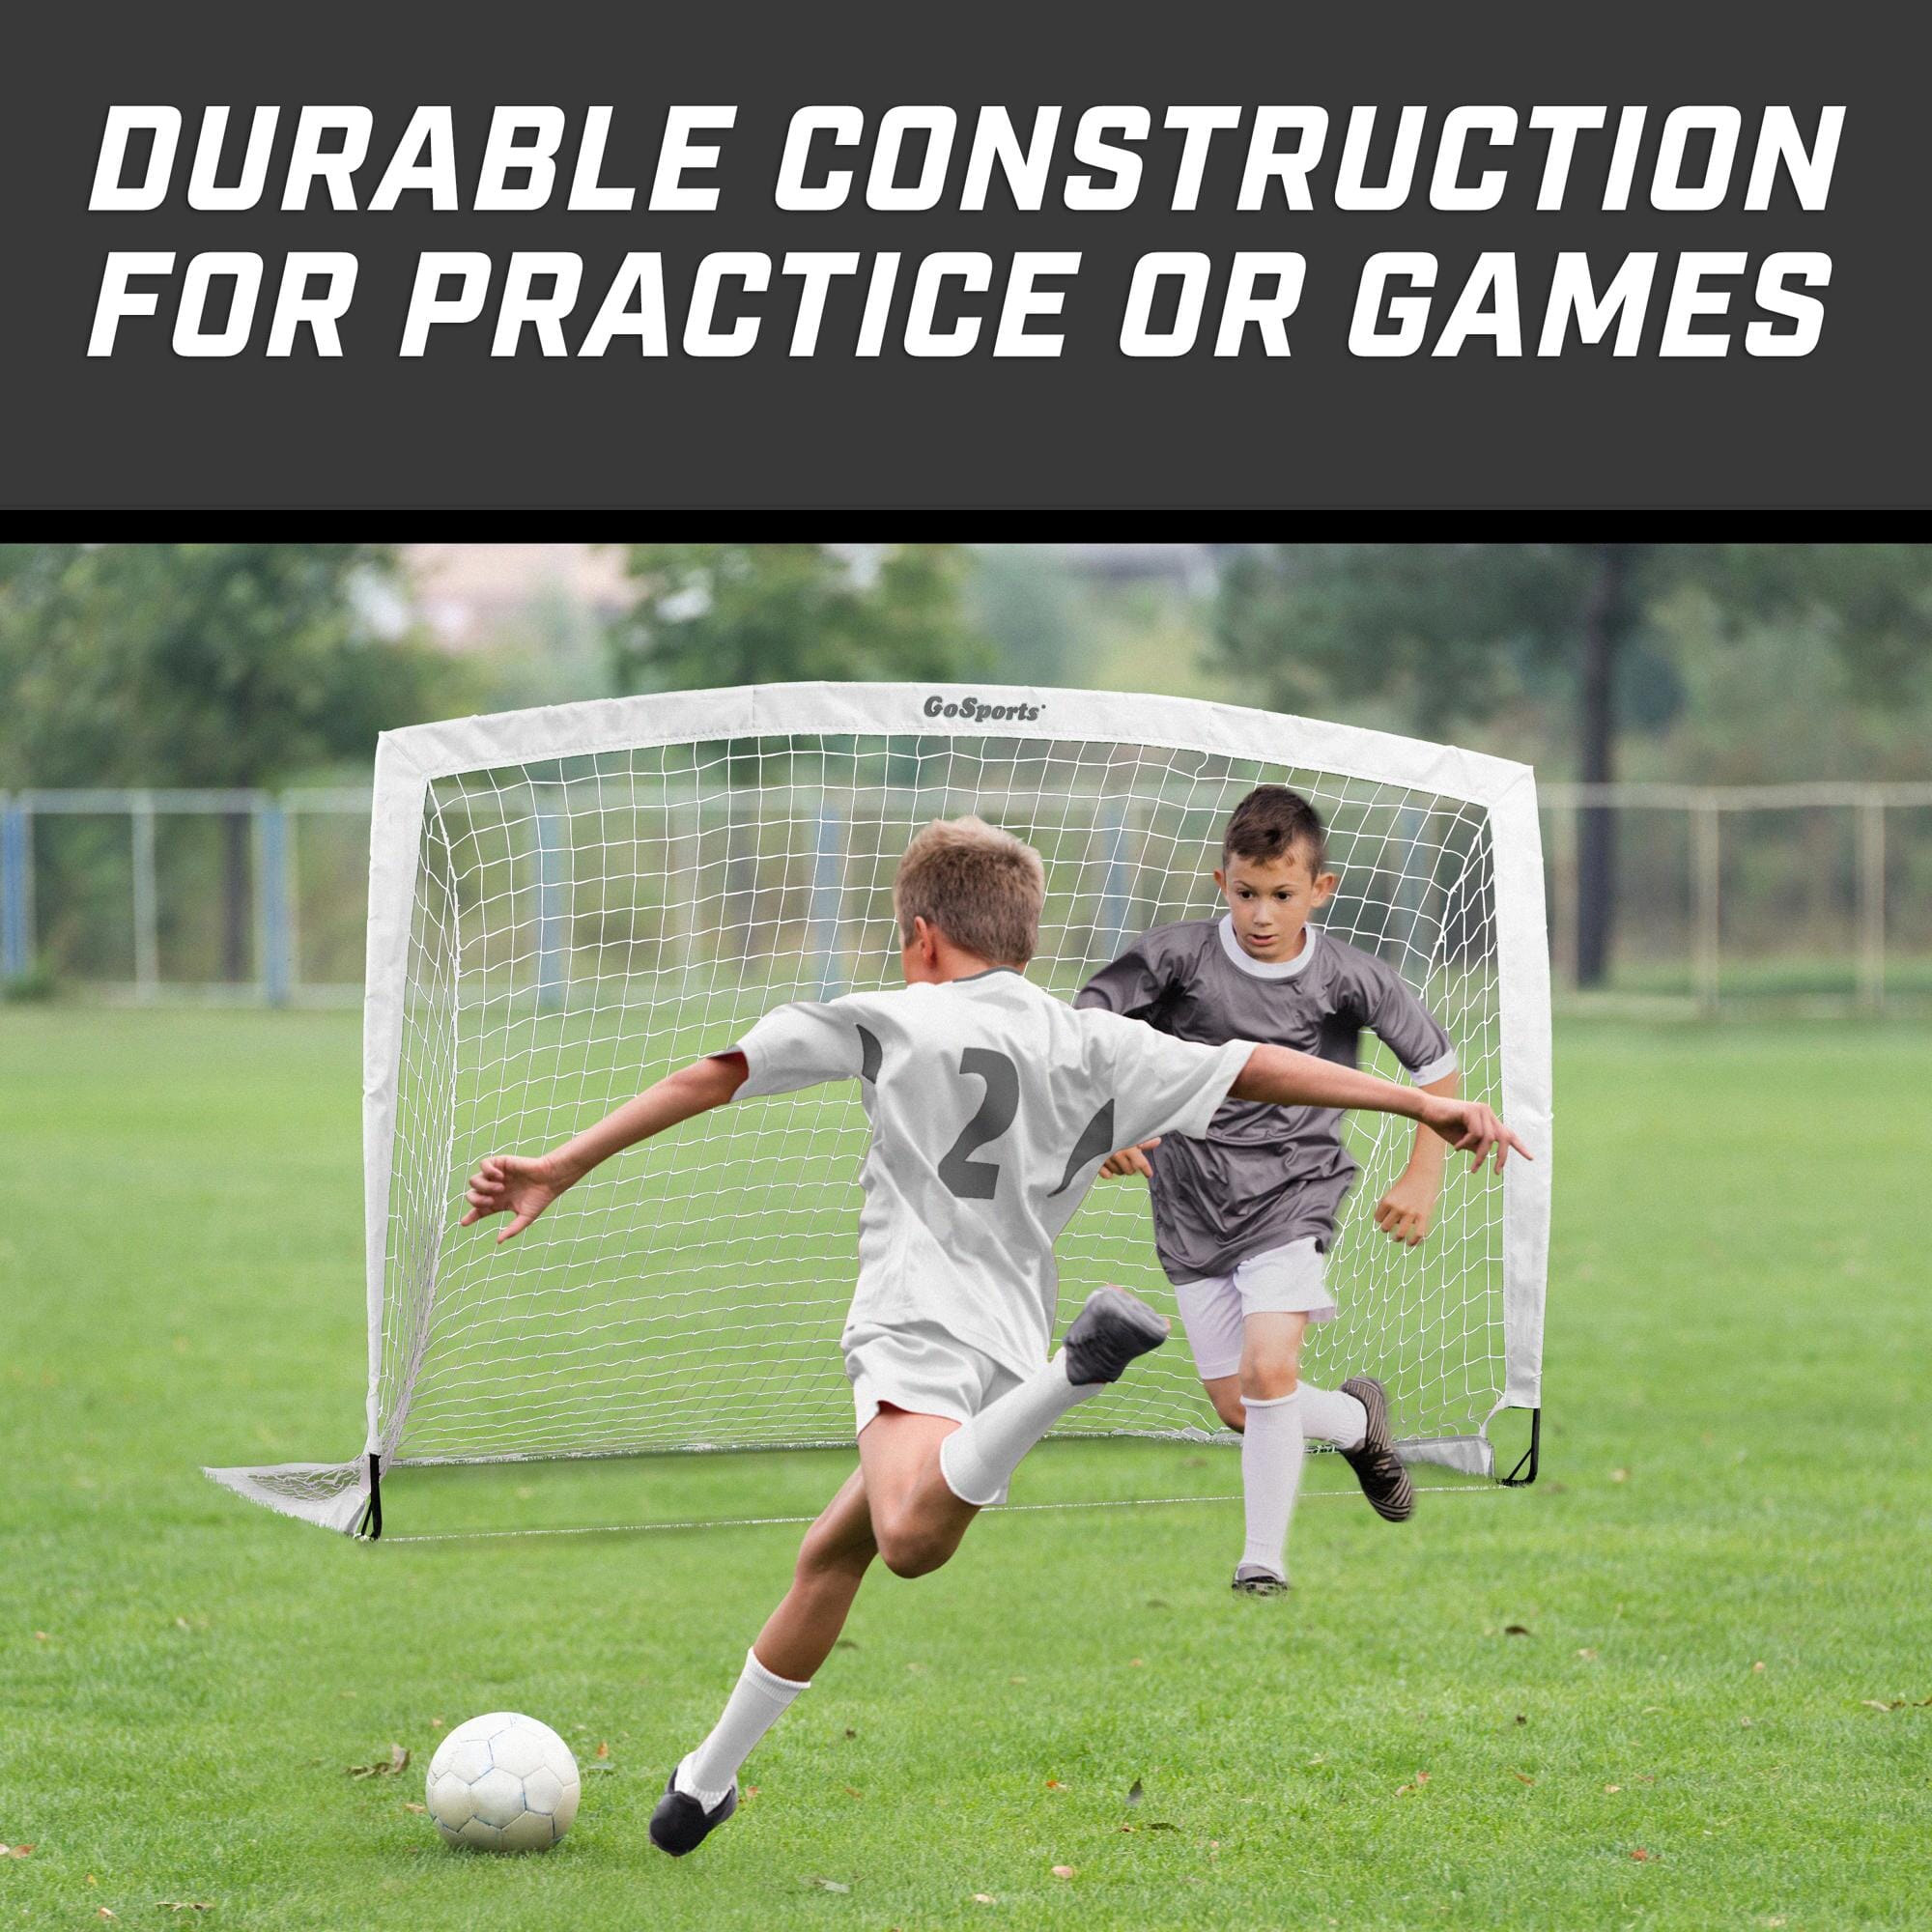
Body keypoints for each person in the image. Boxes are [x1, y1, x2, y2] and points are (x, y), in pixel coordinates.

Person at [459, 814, 1526, 1855]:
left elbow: (714, 1073)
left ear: (921, 935)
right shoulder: (1090, 1039)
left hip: (916, 1316)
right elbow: (1255, 1064)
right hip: (1002, 1337)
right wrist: (1416, 1105)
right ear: (1024, 935)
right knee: (831, 1552)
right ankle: (705, 1780)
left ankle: (1079, 1370)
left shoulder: (891, 1015)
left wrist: (563, 1163)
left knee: (908, 1539)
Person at [1077, 783, 1470, 1594]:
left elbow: (1437, 1068)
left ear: (1320, 890)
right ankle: (1359, 1423)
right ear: (1221, 882)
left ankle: (1262, 1563)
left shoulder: (1350, 977)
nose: (1262, 915)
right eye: (1247, 893)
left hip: (1296, 1193)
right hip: (1190, 1202)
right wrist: (1108, 1125)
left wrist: (1423, 1172)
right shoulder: (1175, 959)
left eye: (1282, 896)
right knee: (1242, 1404)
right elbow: (1084, 1032)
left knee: (1268, 1371)